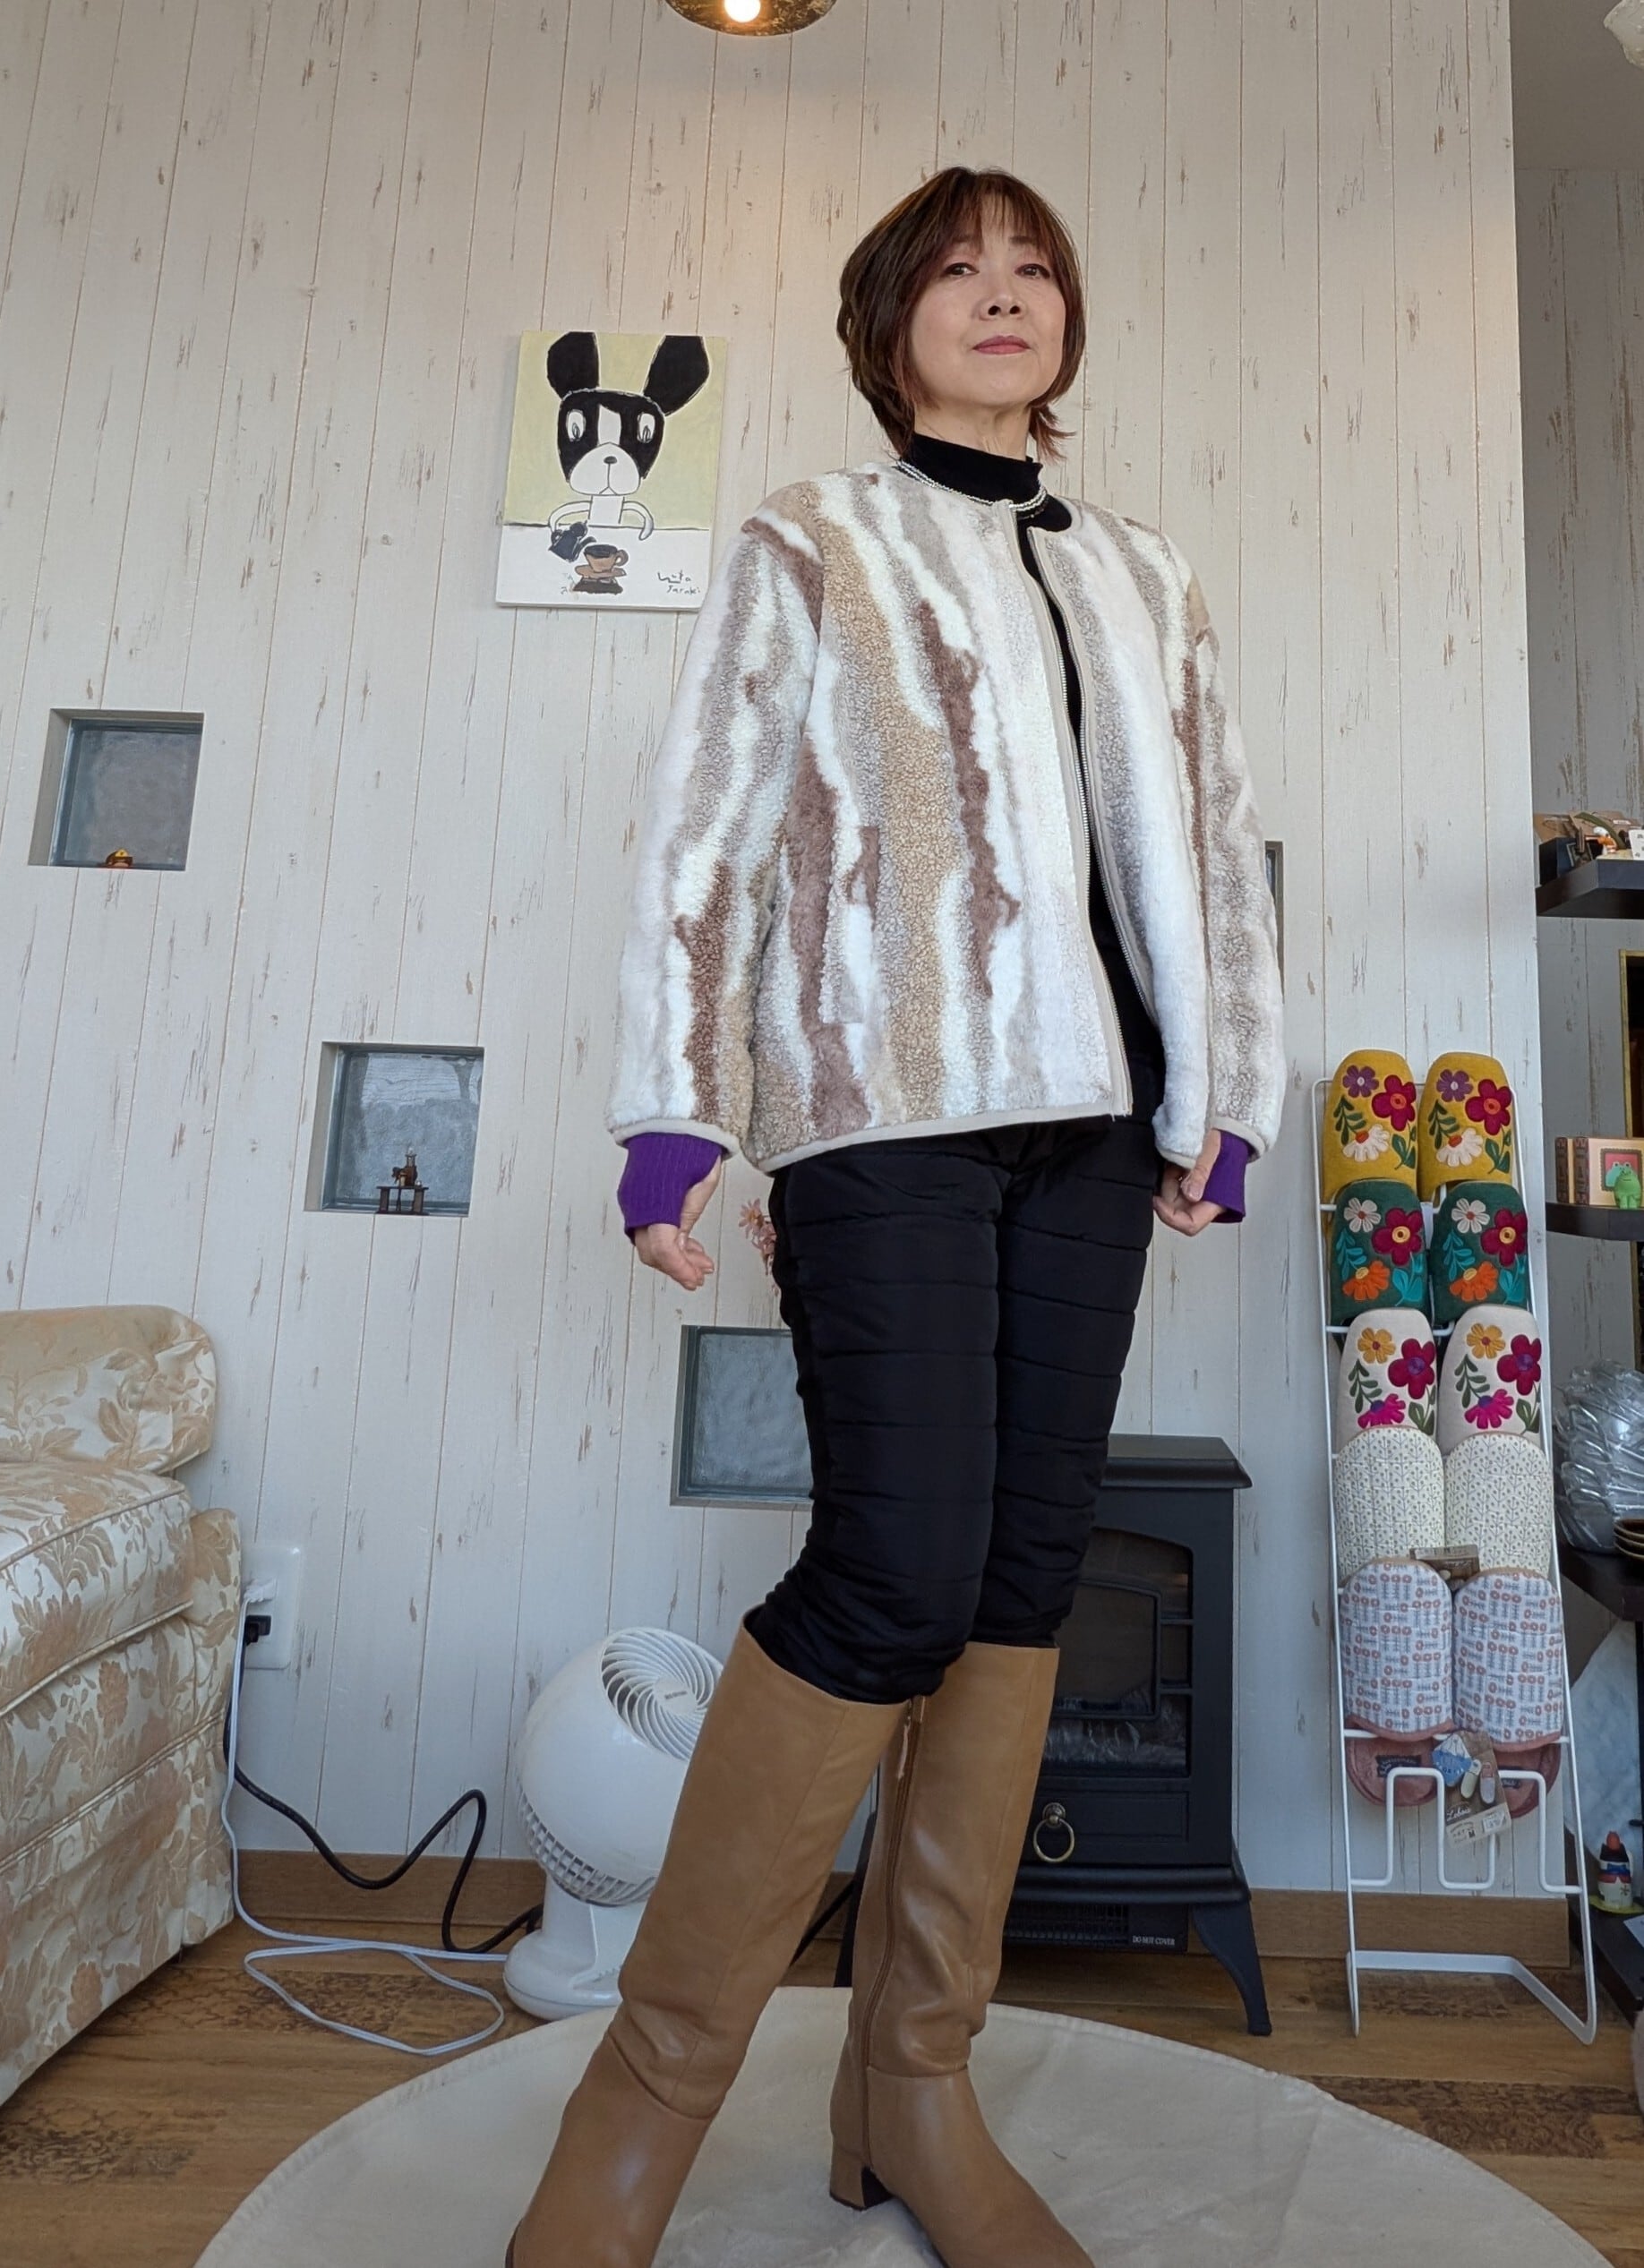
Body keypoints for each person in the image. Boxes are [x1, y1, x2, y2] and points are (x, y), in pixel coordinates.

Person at [507, 166, 1285, 2268]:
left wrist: (1223, 1093)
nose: (1002, 293)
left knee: (1018, 1585)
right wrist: (674, 1117)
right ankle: (635, 2115)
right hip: (877, 1116)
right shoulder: (810, 540)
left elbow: (1211, 841)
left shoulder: (1142, 571)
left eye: (1034, 267)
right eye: (958, 269)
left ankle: (911, 2089)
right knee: (893, 1571)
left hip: (1092, 1133)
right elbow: (706, 826)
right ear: (887, 323)